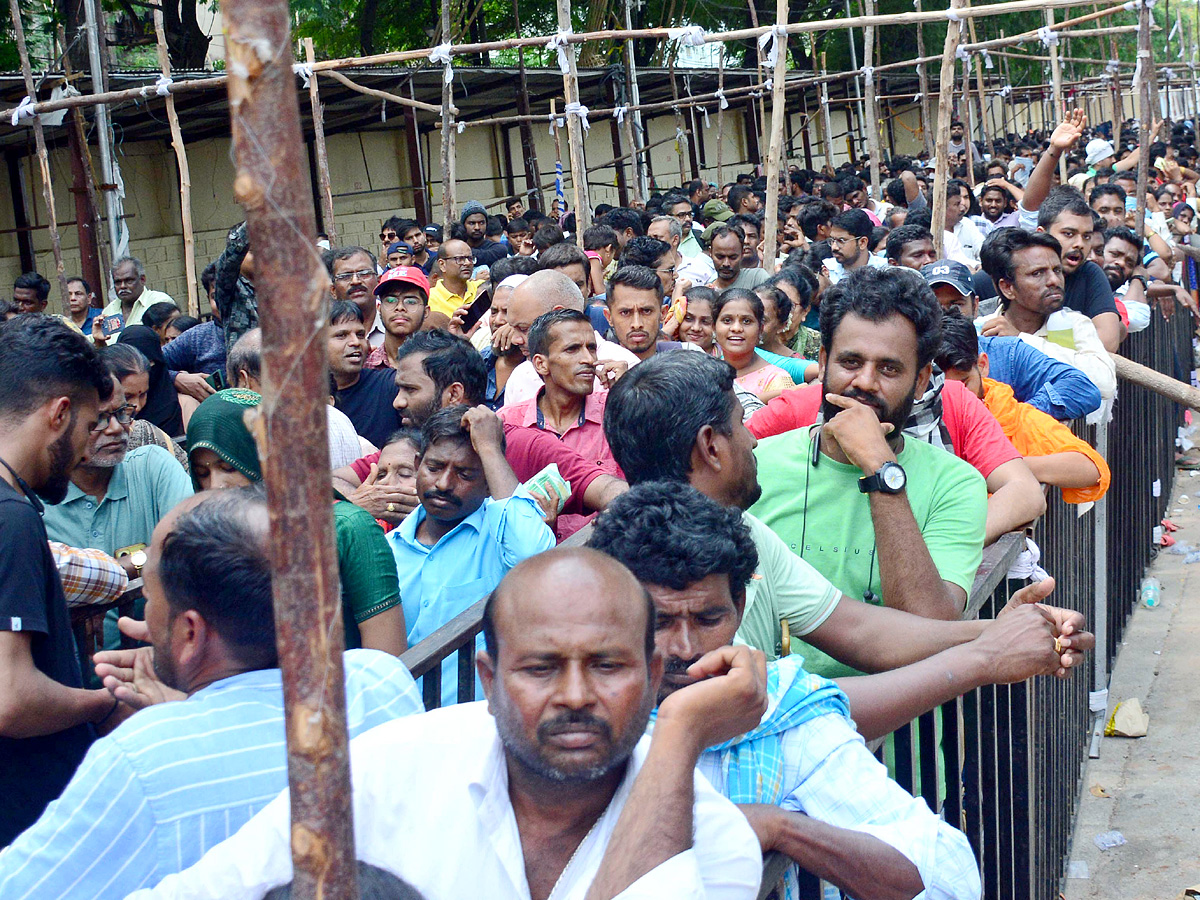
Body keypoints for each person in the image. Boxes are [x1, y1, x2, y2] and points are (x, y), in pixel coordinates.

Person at [122, 548, 765, 900]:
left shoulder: (711, 838)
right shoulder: (389, 769)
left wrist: (680, 729)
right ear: (487, 680)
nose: (575, 696)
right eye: (541, 668)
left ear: (655, 677)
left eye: (606, 666)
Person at [586, 484, 1082, 899]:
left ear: (739, 606)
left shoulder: (781, 713)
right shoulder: (566, 720)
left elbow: (947, 877)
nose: (687, 646)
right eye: (660, 621)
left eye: (708, 618)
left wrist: (784, 829)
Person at [0, 487, 422, 897]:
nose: (147, 613)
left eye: (149, 597)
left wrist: (180, 707)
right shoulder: (382, 682)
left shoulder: (142, 762)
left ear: (190, 630)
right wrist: (189, 688)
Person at [602, 350, 1090, 676]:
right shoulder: (653, 581)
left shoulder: (740, 531)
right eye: (740, 424)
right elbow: (777, 708)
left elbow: (861, 631)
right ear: (711, 447)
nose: (753, 439)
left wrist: (993, 631)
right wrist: (984, 654)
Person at [748, 268, 1046, 546]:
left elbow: (1025, 493)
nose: (864, 382)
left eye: (889, 369)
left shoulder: (953, 402)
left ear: (920, 379)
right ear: (824, 362)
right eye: (851, 362)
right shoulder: (797, 408)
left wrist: (945, 547)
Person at [336, 328, 628, 540]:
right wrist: (361, 505)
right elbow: (333, 482)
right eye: (434, 468)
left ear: (454, 394)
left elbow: (617, 495)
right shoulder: (410, 446)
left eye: (410, 389)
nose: (397, 402)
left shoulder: (523, 444)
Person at [0, 316, 115, 847]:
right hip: (24, 825)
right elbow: (13, 698)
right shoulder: (12, 518)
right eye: (90, 427)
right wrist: (104, 700)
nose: (87, 448)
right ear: (60, 413)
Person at [184, 389, 406, 654]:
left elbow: (388, 661)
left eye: (229, 468)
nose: (216, 486)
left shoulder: (347, 529)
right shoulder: (209, 538)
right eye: (202, 474)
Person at [386, 404, 555, 704]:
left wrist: (490, 449)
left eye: (464, 474)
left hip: (475, 725)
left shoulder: (500, 538)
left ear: (489, 479)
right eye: (434, 467)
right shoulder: (388, 548)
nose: (443, 484)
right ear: (417, 464)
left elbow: (536, 556)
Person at [936, 312, 1109, 504]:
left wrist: (1002, 467)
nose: (955, 396)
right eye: (942, 389)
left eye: (963, 383)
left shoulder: (1007, 411)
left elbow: (1091, 469)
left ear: (983, 366)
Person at [40, 371, 193, 581]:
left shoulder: (153, 467)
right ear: (61, 422)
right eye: (99, 418)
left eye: (122, 413)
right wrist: (142, 560)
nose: (115, 428)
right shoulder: (37, 497)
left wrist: (129, 565)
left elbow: (189, 548)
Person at [920, 259, 1102, 420]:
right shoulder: (907, 359)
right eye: (934, 305)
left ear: (975, 307)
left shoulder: (1006, 353)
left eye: (956, 304)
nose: (945, 313)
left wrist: (1015, 418)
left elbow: (1082, 388)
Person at [978, 227, 1117, 414]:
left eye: (1057, 270)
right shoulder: (983, 331)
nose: (1054, 280)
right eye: (1037, 273)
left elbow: (1104, 384)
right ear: (1007, 287)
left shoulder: (1074, 324)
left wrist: (1022, 341)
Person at [499, 308, 623, 476]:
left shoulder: (615, 413)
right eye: (572, 349)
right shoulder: (507, 423)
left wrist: (626, 392)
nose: (588, 359)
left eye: (592, 348)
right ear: (541, 364)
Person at [504, 270, 637, 406]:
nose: (515, 339)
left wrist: (620, 395)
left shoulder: (624, 372)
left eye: (524, 329)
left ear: (556, 315)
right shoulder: (521, 375)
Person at [327, 302, 403, 448]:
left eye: (360, 335)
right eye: (342, 335)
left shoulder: (390, 385)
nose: (355, 342)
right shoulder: (303, 399)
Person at [712, 289, 796, 403]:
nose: (736, 328)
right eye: (727, 320)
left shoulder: (776, 380)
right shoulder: (708, 373)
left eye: (746, 321)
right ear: (714, 327)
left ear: (760, 329)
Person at [112, 327, 187, 438]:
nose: (137, 406)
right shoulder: (105, 421)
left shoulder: (181, 405)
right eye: (127, 396)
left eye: (149, 363)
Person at [365, 266, 430, 370]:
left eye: (411, 301)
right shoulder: (366, 366)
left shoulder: (438, 364)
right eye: (391, 300)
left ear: (426, 311)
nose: (400, 307)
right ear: (379, 308)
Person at [325, 246, 386, 348]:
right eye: (345, 276)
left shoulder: (395, 328)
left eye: (364, 273)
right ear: (333, 290)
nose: (355, 281)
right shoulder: (322, 336)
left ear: (379, 282)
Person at [101, 256, 177, 331]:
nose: (122, 286)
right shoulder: (109, 311)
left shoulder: (159, 302)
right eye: (118, 282)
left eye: (129, 281)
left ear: (142, 279)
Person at [823, 209, 889, 284]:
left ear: (862, 242)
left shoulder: (885, 271)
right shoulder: (826, 270)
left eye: (841, 241)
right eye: (832, 240)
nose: (834, 247)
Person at [428, 238, 484, 326]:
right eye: (460, 259)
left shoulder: (482, 288)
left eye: (470, 258)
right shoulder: (430, 299)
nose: (467, 263)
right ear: (442, 265)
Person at [709, 225, 769, 291]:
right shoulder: (709, 290)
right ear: (710, 253)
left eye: (733, 257)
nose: (726, 263)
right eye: (720, 257)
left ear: (742, 253)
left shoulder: (758, 278)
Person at [458, 200, 509, 267]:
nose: (477, 227)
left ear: (486, 224)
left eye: (481, 223)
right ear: (463, 225)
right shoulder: (455, 248)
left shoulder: (498, 249)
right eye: (472, 223)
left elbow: (485, 256)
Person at [679, 285, 718, 353]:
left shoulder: (727, 358)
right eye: (688, 319)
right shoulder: (664, 351)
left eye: (705, 321)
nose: (696, 328)